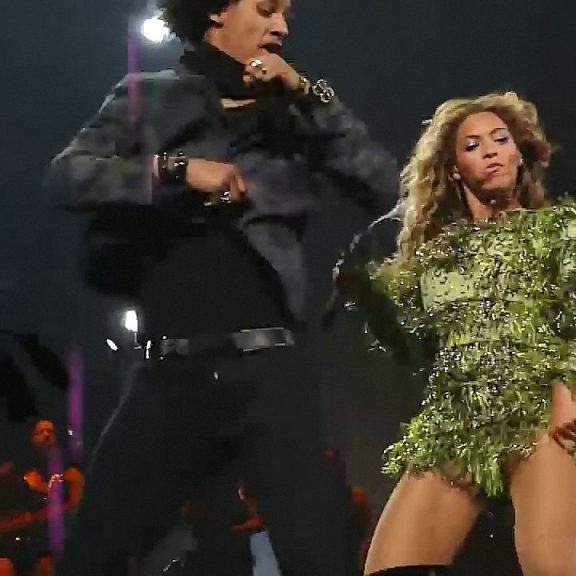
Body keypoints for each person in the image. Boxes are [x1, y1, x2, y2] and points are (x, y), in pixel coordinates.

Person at [45, 0, 398, 573]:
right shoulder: (149, 94)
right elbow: (67, 176)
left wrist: (310, 95)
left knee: (321, 558)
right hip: (169, 375)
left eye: (286, 14)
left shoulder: (298, 113)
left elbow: (384, 186)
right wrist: (177, 169)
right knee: (93, 555)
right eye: (265, 8)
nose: (281, 26)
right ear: (214, 11)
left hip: (270, 375)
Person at [339, 92, 576, 576]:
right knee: (390, 569)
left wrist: (567, 386)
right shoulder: (435, 256)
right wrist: (361, 285)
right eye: (472, 145)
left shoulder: (554, 229)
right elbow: (407, 336)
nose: (490, 151)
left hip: (537, 411)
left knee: (548, 562)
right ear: (454, 170)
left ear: (519, 155)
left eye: (500, 140)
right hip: (454, 422)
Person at [0, 419, 84, 576]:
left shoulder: (71, 475)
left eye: (50, 431)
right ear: (31, 440)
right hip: (28, 545)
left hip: (61, 544)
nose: (46, 435)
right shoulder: (22, 476)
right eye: (40, 432)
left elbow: (75, 511)